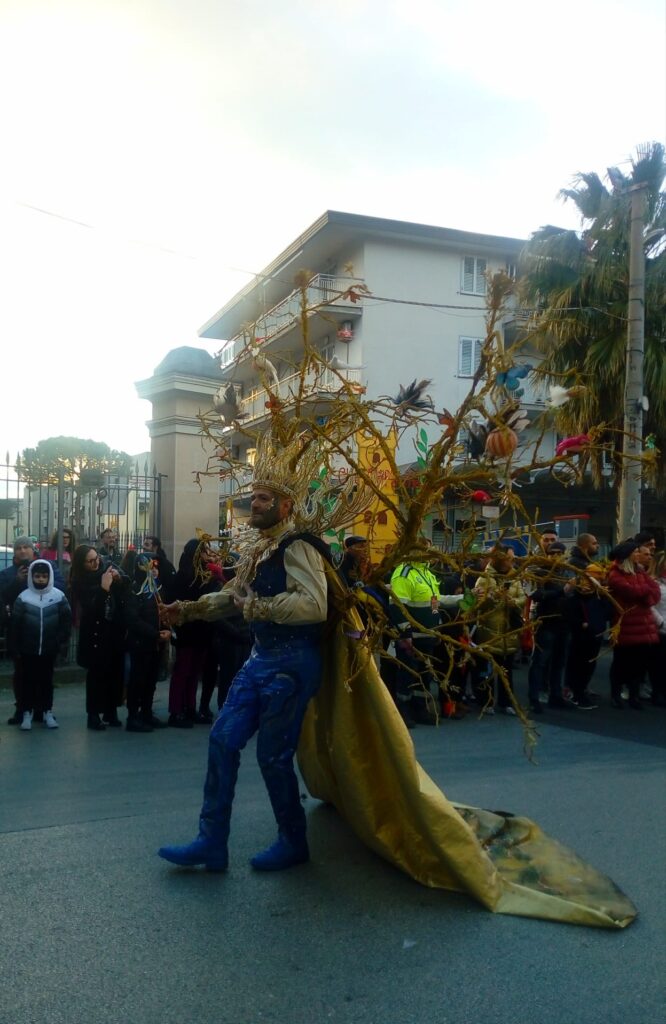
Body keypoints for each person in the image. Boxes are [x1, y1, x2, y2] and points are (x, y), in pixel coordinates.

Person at [158, 466, 331, 873]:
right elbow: (233, 596)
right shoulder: (259, 549)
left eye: (264, 499)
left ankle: (292, 841)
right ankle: (211, 842)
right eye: (253, 497)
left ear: (286, 505)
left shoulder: (298, 547)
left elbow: (313, 605)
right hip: (260, 660)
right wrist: (187, 610)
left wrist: (258, 608)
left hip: (292, 664)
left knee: (273, 756)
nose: (254, 504)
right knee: (221, 740)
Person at [1, 537, 66, 725]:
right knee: (21, 674)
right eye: (19, 548)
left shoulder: (49, 567)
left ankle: (42, 709)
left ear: (33, 549)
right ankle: (22, 709)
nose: (22, 551)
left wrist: (38, 581)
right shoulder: (7, 573)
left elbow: (60, 588)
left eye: (26, 547)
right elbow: (3, 595)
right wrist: (18, 581)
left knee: (45, 673)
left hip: (46, 629)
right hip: (20, 632)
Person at [69, 544, 129, 730]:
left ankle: (111, 711)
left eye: (97, 559)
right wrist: (103, 589)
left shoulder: (107, 567)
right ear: (81, 564)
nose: (96, 563)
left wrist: (119, 579)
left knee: (115, 672)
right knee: (96, 675)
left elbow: (128, 583)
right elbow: (92, 607)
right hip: (95, 632)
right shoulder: (80, 581)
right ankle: (93, 714)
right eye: (91, 561)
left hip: (114, 629)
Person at [10, 560, 72, 730]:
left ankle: (47, 712)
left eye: (44, 576)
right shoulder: (23, 597)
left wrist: (60, 642)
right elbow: (15, 625)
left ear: (49, 576)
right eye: (37, 576)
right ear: (31, 576)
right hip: (28, 650)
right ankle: (27, 713)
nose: (40, 579)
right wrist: (15, 648)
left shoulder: (59, 596)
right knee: (28, 682)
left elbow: (66, 622)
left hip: (49, 649)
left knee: (46, 681)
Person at [166, 539, 221, 727]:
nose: (208, 554)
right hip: (187, 630)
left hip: (202, 629)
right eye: (204, 551)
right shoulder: (182, 576)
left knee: (194, 671)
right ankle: (176, 710)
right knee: (183, 671)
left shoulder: (207, 573)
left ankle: (190, 707)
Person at [607, 540, 660, 709]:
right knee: (621, 663)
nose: (639, 554)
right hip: (626, 626)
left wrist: (645, 594)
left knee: (640, 664)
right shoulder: (615, 573)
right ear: (627, 555)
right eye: (636, 552)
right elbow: (632, 592)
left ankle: (634, 695)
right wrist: (645, 593)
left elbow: (655, 593)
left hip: (644, 626)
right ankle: (616, 694)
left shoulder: (640, 572)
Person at [472, 545, 525, 714]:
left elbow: (523, 597)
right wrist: (492, 597)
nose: (511, 562)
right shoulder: (484, 578)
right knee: (486, 671)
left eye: (512, 558)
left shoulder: (515, 577)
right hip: (489, 632)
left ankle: (506, 701)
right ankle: (486, 701)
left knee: (506, 671)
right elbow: (477, 604)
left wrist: (514, 602)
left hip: (508, 632)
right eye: (508, 558)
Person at [124, 554, 171, 731]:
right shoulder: (135, 589)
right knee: (138, 680)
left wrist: (166, 628)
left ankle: (146, 712)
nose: (155, 571)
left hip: (156, 642)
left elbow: (162, 610)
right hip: (141, 642)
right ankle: (133, 716)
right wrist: (155, 634)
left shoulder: (156, 588)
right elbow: (132, 619)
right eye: (151, 567)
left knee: (151, 679)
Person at [526, 541, 574, 714]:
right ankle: (534, 698)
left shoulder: (569, 573)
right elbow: (536, 595)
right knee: (539, 662)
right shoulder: (539, 572)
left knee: (559, 662)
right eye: (552, 553)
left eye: (559, 553)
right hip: (546, 623)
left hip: (564, 623)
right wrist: (562, 592)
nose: (556, 556)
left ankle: (556, 695)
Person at [563, 534, 610, 709]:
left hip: (593, 622)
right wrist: (580, 621)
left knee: (588, 660)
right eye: (594, 543)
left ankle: (581, 689)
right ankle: (575, 691)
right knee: (578, 660)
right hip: (582, 622)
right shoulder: (577, 565)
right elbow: (571, 597)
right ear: (584, 546)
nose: (597, 546)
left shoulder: (587, 565)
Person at [142, 535, 177, 601]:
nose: (143, 547)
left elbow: (170, 586)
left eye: (146, 545)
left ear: (155, 547)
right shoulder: (145, 562)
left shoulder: (165, 565)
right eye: (143, 544)